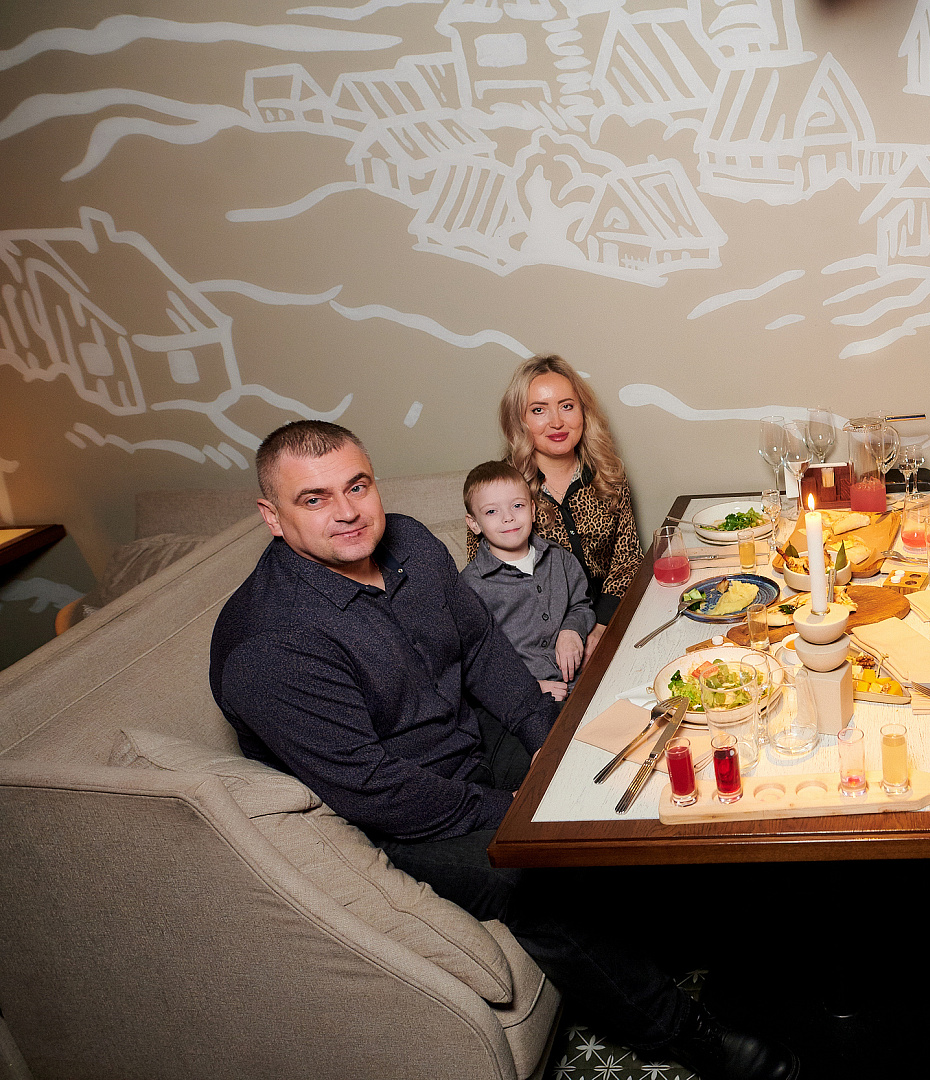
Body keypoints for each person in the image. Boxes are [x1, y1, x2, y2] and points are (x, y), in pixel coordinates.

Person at [213, 420, 798, 1080]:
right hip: (399, 811)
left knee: (613, 759)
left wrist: (548, 739)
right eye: (314, 499)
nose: (347, 511)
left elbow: (481, 649)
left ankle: (694, 929)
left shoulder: (408, 542)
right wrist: (514, 809)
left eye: (357, 486)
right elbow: (373, 788)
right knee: (536, 877)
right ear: (272, 516)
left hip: (464, 735)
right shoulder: (271, 644)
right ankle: (687, 1035)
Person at [476, 355, 640, 660]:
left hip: (613, 620)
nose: (556, 422)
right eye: (539, 410)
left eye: (567, 406)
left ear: (583, 411)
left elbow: (627, 560)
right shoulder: (497, 493)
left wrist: (600, 627)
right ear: (519, 420)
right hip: (538, 647)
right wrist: (568, 633)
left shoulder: (609, 474)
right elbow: (488, 585)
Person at [461, 460, 594, 702]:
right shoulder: (470, 586)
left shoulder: (559, 558)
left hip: (584, 680)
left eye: (517, 506)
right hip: (525, 700)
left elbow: (580, 605)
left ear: (532, 510)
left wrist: (572, 630)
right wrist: (527, 688)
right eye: (491, 511)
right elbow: (475, 662)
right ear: (474, 523)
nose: (508, 518)